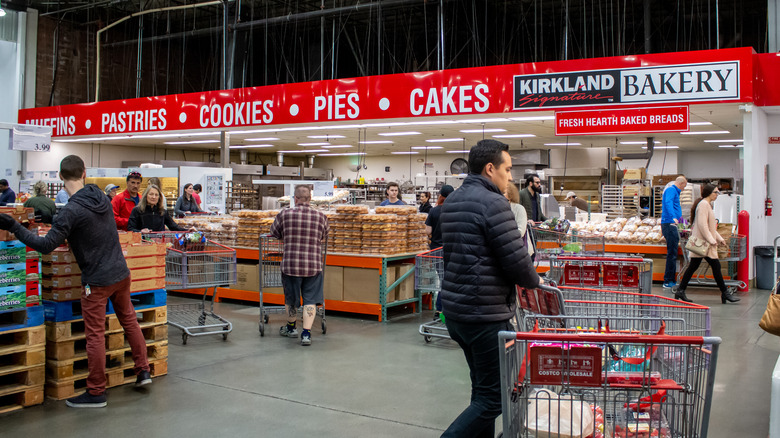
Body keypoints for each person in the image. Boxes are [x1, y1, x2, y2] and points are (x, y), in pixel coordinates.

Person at [0, 155, 152, 408]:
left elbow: (46, 245)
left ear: (60, 177)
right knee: (129, 320)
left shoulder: (71, 211)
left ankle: (96, 392)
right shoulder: (101, 198)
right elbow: (89, 228)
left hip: (97, 280)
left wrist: (14, 226)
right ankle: (143, 370)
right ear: (84, 173)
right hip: (121, 273)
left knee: (94, 334)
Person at [439, 139, 540, 438]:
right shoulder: (494, 202)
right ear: (490, 168)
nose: (510, 176)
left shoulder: (454, 200)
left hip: (458, 311)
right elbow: (516, 260)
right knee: (494, 398)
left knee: (481, 391)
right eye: (507, 169)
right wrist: (536, 282)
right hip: (485, 313)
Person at [270, 185, 329, 346]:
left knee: (291, 299)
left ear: (295, 198)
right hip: (313, 265)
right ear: (310, 199)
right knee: (310, 300)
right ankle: (306, 334)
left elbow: (274, 233)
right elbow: (324, 236)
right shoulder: (321, 216)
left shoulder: (285, 214)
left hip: (291, 265)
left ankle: (291, 328)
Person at [675, 184, 740, 304]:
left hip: (703, 244)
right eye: (716, 192)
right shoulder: (704, 205)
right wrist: (712, 240)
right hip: (704, 244)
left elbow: (710, 227)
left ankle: (680, 290)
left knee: (695, 267)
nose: (717, 195)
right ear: (709, 193)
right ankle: (725, 293)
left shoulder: (706, 205)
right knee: (714, 267)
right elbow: (702, 225)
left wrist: (719, 238)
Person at [661, 176, 687, 289]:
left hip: (673, 224)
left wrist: (682, 223)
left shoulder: (674, 192)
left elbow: (674, 206)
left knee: (673, 252)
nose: (684, 189)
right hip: (670, 224)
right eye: (684, 187)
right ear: (681, 184)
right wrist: (673, 218)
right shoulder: (671, 190)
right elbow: (668, 203)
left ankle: (670, 279)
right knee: (672, 253)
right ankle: (668, 280)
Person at [506, 183, 535, 260]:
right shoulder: (497, 209)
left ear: (510, 195)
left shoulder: (519, 209)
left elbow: (521, 232)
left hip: (521, 253)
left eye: (503, 192)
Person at [425, 185, 454, 250]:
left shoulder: (433, 210)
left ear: (440, 195)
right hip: (451, 247)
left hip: (436, 247)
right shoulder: (456, 210)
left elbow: (428, 231)